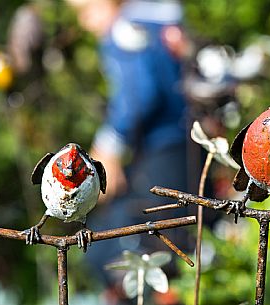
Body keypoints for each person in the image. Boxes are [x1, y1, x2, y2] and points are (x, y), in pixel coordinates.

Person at [68, 0, 195, 301]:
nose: (85, 23)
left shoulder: (123, 32)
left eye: (87, 10)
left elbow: (139, 97)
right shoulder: (162, 21)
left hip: (160, 146)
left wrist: (110, 143)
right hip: (186, 143)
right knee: (178, 238)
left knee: (113, 252)